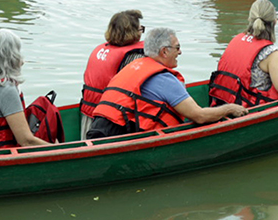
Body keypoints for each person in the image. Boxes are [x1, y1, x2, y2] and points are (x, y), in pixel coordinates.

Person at [87, 27, 246, 139]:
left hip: (97, 128)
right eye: (177, 47)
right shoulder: (164, 79)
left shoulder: (133, 66)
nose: (180, 52)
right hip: (119, 135)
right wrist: (229, 108)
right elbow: (199, 116)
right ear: (164, 51)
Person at [79, 10, 146, 139]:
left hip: (88, 114)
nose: (141, 33)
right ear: (132, 32)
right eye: (140, 29)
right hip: (109, 121)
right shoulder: (134, 55)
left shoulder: (100, 50)